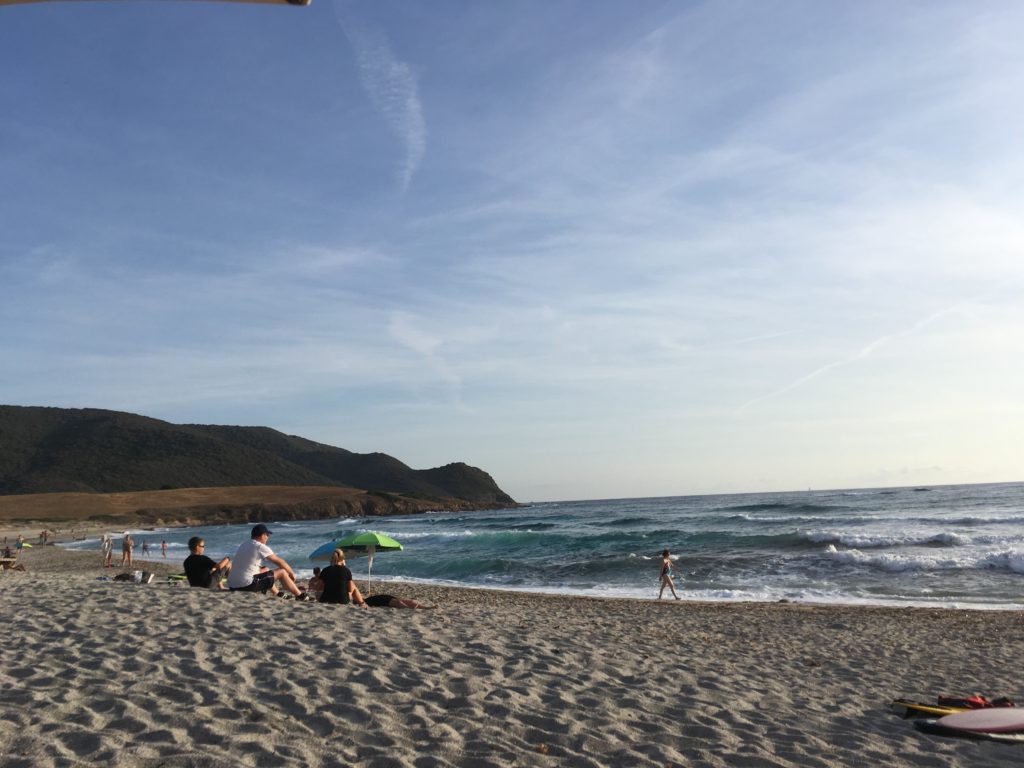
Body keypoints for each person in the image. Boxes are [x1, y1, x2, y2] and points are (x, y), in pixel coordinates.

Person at [226, 524, 313, 601]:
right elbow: (280, 562)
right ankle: (300, 596)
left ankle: (278, 594)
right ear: (262, 535)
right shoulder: (259, 546)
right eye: (267, 535)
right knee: (282, 572)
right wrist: (291, 573)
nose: (268, 537)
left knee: (266, 570)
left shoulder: (244, 544)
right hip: (246, 586)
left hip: (232, 585)